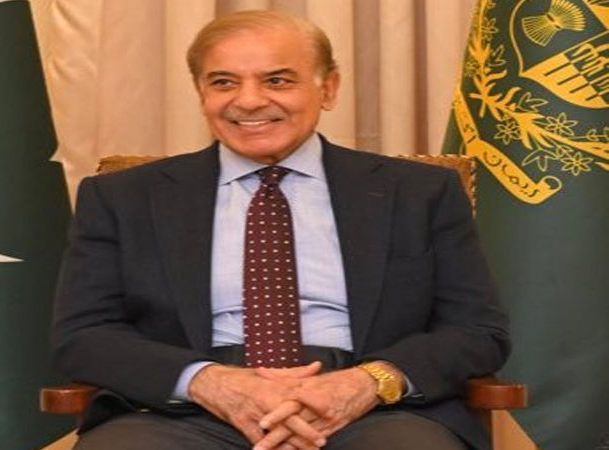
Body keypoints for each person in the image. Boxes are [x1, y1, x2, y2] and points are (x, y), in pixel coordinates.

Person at [52, 10, 510, 450]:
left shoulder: (419, 191)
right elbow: (84, 335)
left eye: (277, 80)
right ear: (200, 92)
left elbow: (476, 331)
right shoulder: (122, 197)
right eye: (223, 82)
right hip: (182, 411)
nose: (249, 100)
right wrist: (208, 381)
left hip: (374, 409)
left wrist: (368, 383)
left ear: (328, 87)